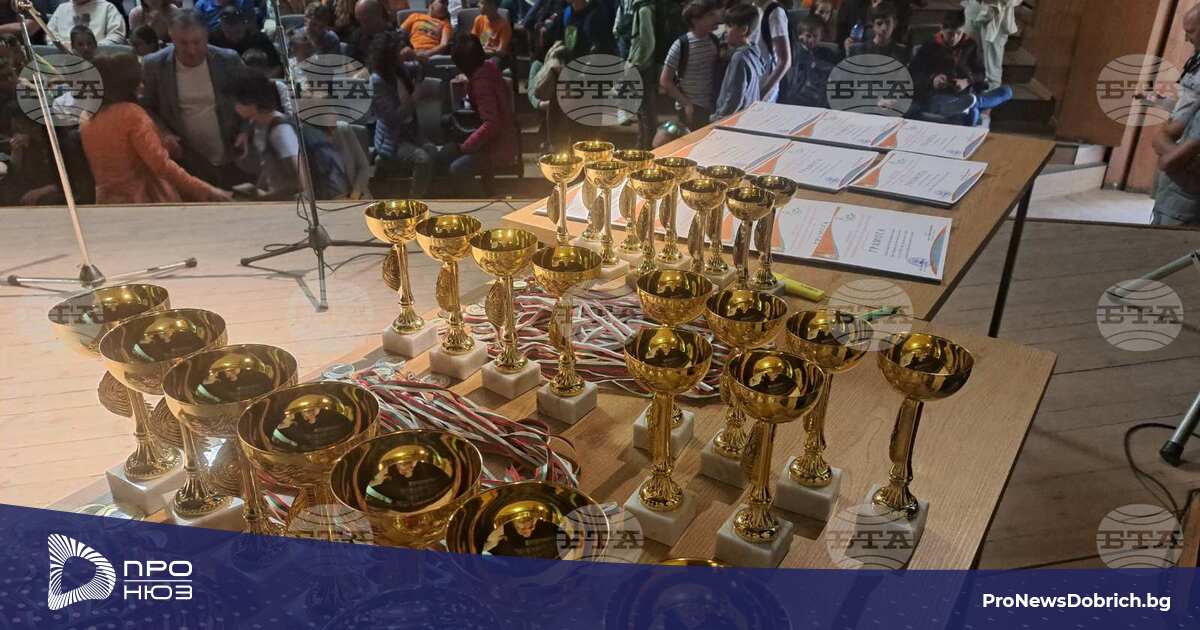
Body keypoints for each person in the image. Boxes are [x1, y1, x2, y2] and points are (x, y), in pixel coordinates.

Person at [81, 53, 229, 204]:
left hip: (106, 202)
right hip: (143, 201)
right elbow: (161, 166)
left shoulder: (86, 117)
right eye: (139, 81)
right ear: (126, 83)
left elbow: (120, 153)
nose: (142, 86)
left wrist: (161, 144)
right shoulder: (131, 114)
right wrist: (205, 190)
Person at [141, 9, 247, 187]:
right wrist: (164, 133)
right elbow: (146, 106)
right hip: (186, 160)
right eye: (183, 43)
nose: (191, 50)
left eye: (197, 42)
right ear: (172, 37)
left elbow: (251, 97)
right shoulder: (154, 65)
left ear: (207, 36)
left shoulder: (228, 60)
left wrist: (246, 131)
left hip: (231, 154)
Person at [440, 33, 516, 195]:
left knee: (457, 169)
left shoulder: (481, 83)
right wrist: (470, 81)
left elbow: (492, 124)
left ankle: (481, 201)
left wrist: (467, 146)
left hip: (497, 146)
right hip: (497, 140)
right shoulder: (488, 67)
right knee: (447, 153)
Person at [909, 9, 1010, 126]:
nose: (954, 38)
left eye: (958, 33)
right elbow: (913, 75)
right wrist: (933, 79)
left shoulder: (969, 45)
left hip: (965, 94)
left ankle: (973, 103)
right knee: (966, 113)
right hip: (938, 95)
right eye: (950, 34)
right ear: (942, 29)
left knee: (1006, 91)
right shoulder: (929, 46)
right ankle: (971, 107)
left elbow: (981, 74)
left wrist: (967, 81)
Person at [368, 30, 435, 197]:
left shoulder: (400, 69)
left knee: (432, 150)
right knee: (423, 159)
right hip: (393, 138)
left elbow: (421, 68)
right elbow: (393, 118)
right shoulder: (377, 81)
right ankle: (415, 201)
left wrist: (416, 56)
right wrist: (414, 97)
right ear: (388, 56)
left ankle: (426, 194)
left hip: (410, 132)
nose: (401, 52)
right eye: (398, 50)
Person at [230, 72, 308, 200]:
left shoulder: (281, 131)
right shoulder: (258, 125)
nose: (235, 107)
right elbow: (268, 165)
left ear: (252, 103)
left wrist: (261, 198)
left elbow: (299, 184)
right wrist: (256, 190)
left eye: (238, 103)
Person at [660, 0, 722, 133]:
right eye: (710, 15)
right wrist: (686, 104)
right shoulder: (682, 45)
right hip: (692, 107)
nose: (716, 17)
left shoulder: (714, 40)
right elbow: (665, 81)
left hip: (711, 105)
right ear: (695, 20)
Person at [712, 2, 763, 120]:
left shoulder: (739, 58)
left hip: (733, 120)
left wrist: (718, 118)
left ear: (743, 30)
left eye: (729, 26)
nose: (725, 31)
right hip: (748, 117)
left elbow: (734, 98)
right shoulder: (754, 51)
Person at [779, 15, 838, 107]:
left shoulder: (826, 54)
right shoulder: (793, 52)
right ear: (800, 35)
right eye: (808, 36)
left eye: (815, 36)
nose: (811, 40)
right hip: (796, 97)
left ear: (821, 37)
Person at [963, 0, 1020, 90]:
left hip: (995, 14)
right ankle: (973, 90)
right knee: (972, 56)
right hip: (974, 10)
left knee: (992, 66)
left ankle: (991, 93)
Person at [210, 5, 281, 69]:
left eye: (238, 31)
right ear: (222, 28)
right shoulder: (215, 39)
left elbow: (277, 68)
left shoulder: (259, 39)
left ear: (245, 25)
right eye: (229, 33)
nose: (234, 36)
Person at [754, 0, 790, 102]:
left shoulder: (775, 13)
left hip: (764, 91)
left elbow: (784, 61)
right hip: (752, 87)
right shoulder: (755, 9)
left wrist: (762, 94)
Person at [48, 0, 126, 45]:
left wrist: (94, 47)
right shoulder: (62, 8)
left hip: (98, 57)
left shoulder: (107, 7)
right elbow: (49, 34)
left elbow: (117, 36)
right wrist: (62, 46)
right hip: (63, 57)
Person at [194, 0, 259, 31]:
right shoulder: (201, 5)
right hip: (213, 43)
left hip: (240, 40)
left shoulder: (244, 2)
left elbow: (252, 27)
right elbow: (198, 31)